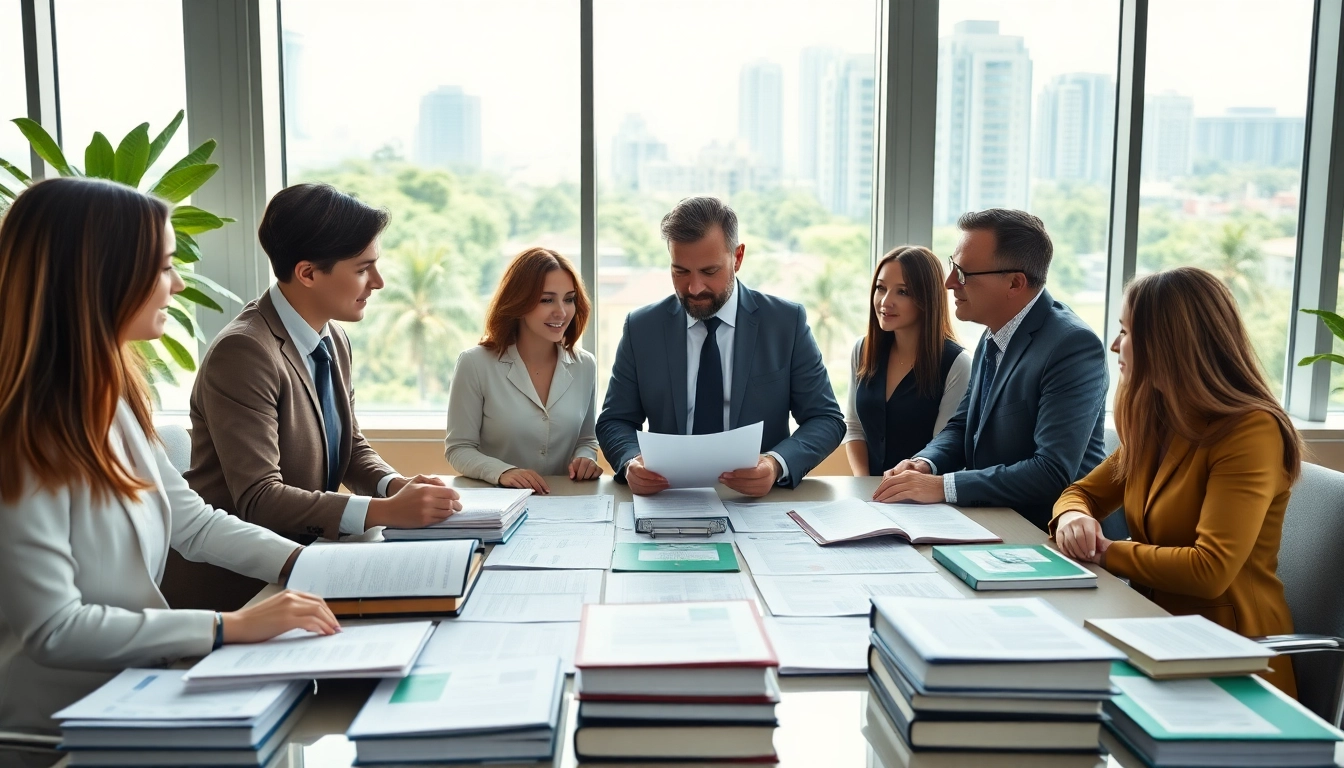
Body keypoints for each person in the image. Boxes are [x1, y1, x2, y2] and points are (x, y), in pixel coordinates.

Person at [0, 178, 341, 734]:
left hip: (138, 691)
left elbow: (193, 523)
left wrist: (316, 566)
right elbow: (55, 628)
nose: (178, 284)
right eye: (162, 267)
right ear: (98, 278)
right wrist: (226, 626)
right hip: (54, 732)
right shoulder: (21, 431)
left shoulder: (111, 400)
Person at [163, 183, 461, 612]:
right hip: (240, 591)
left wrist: (395, 486)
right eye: (363, 269)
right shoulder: (244, 352)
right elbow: (260, 497)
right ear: (307, 273)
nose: (378, 282)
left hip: (306, 565)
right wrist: (385, 512)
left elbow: (351, 446)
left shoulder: (332, 337)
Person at [1052, 267, 1301, 696]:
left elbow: (1210, 570)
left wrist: (1106, 551)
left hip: (1230, 657)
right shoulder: (1159, 417)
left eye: (1126, 331)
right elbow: (1082, 493)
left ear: (1165, 343)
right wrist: (1074, 517)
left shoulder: (1250, 432)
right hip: (1154, 634)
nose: (1115, 345)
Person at [872, 208, 1108, 530]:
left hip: (1050, 535)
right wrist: (925, 463)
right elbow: (961, 425)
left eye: (964, 273)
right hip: (991, 521)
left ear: (1014, 283)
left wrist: (943, 486)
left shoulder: (1072, 346)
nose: (949, 282)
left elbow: (1051, 471)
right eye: (954, 266)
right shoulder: (993, 333)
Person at [597, 196, 844, 497]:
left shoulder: (785, 323)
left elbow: (826, 419)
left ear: (737, 257)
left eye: (709, 271)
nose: (694, 288)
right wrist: (630, 461)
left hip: (757, 503)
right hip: (667, 500)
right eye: (680, 271)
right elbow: (615, 420)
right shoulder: (641, 328)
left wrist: (775, 464)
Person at [445, 247, 601, 492]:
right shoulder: (474, 364)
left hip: (566, 505)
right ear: (519, 302)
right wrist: (503, 472)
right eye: (546, 300)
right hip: (497, 505)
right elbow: (458, 449)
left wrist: (586, 459)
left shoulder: (585, 365)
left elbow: (586, 440)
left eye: (569, 299)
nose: (561, 311)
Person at [844, 245, 971, 476]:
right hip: (868, 496)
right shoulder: (863, 350)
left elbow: (945, 447)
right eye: (881, 288)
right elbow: (853, 427)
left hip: (924, 500)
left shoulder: (957, 364)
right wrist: (864, 485)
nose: (885, 302)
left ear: (927, 298)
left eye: (902, 292)